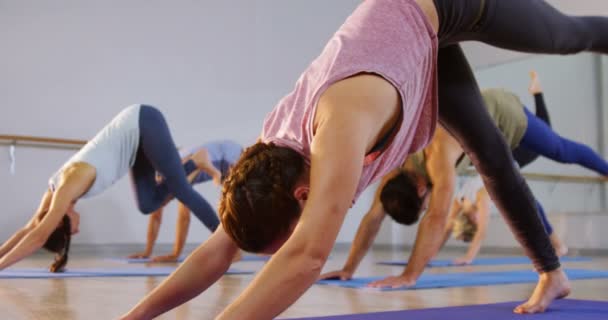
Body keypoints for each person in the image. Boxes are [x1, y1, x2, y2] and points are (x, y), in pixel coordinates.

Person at [121, 1, 608, 318]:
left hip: (444, 5)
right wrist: (135, 317)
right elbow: (217, 249)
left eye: (286, 235)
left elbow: (307, 256)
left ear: (303, 196)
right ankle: (554, 274)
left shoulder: (339, 131)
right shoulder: (271, 161)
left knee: (565, 36)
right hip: (411, 41)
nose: (292, 241)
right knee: (488, 152)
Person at [321, 71, 607, 286]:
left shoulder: (437, 157)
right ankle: (553, 244)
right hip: (486, 144)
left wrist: (410, 275)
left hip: (501, 114)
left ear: (421, 188)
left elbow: (437, 216)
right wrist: (349, 269)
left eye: (422, 205)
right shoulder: (396, 174)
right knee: (517, 191)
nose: (426, 206)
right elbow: (373, 217)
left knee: (559, 149)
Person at [0, 105, 221, 272]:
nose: (76, 231)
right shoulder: (53, 191)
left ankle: (224, 238)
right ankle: (192, 164)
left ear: (58, 222)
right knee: (147, 205)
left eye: (70, 232)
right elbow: (29, 229)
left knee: (183, 190)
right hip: (136, 143)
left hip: (144, 120)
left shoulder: (68, 186)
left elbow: (38, 236)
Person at [129, 140, 242, 263]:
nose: (163, 204)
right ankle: (234, 247)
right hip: (219, 160)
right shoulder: (161, 179)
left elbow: (184, 217)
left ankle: (235, 249)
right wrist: (147, 252)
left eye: (162, 202)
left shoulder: (178, 174)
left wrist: (175, 254)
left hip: (232, 156)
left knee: (237, 203)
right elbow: (156, 215)